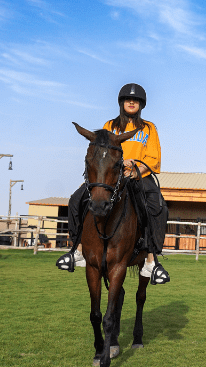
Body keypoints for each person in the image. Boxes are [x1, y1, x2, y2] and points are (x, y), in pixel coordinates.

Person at [56, 83, 170, 285]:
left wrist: (135, 168)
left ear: (141, 105)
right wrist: (115, 166)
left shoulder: (149, 128)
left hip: (138, 176)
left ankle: (152, 260)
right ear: (122, 103)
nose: (131, 102)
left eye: (135, 100)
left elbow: (154, 159)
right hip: (110, 178)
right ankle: (77, 249)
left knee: (158, 206)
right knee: (76, 200)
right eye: (128, 99)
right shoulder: (110, 125)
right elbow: (102, 153)